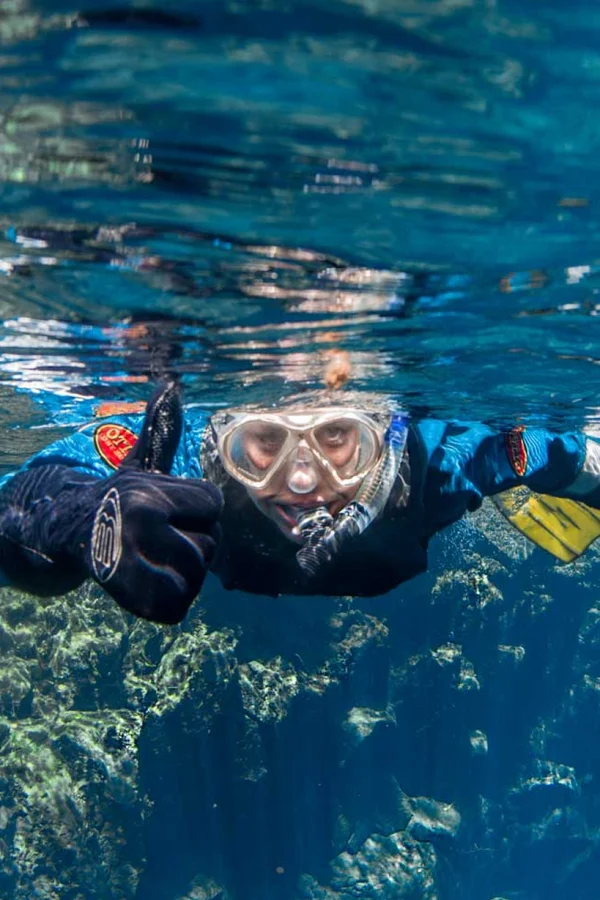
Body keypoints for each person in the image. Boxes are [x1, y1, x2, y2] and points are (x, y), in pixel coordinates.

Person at [0, 378, 598, 624]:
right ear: (221, 443)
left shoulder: (437, 463)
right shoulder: (184, 466)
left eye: (338, 439)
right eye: (263, 443)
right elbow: (23, 503)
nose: (304, 484)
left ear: (385, 439)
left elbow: (560, 454)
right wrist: (82, 521)